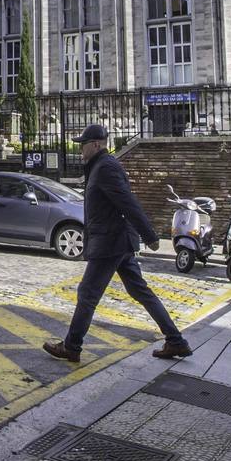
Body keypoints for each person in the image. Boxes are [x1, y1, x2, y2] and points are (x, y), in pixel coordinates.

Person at [44, 124, 192, 363]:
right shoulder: (100, 166)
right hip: (116, 241)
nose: (80, 149)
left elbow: (127, 203)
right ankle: (176, 341)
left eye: (83, 144)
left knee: (88, 293)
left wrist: (150, 235)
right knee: (139, 291)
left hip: (110, 241)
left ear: (96, 144)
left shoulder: (106, 167)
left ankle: (72, 347)